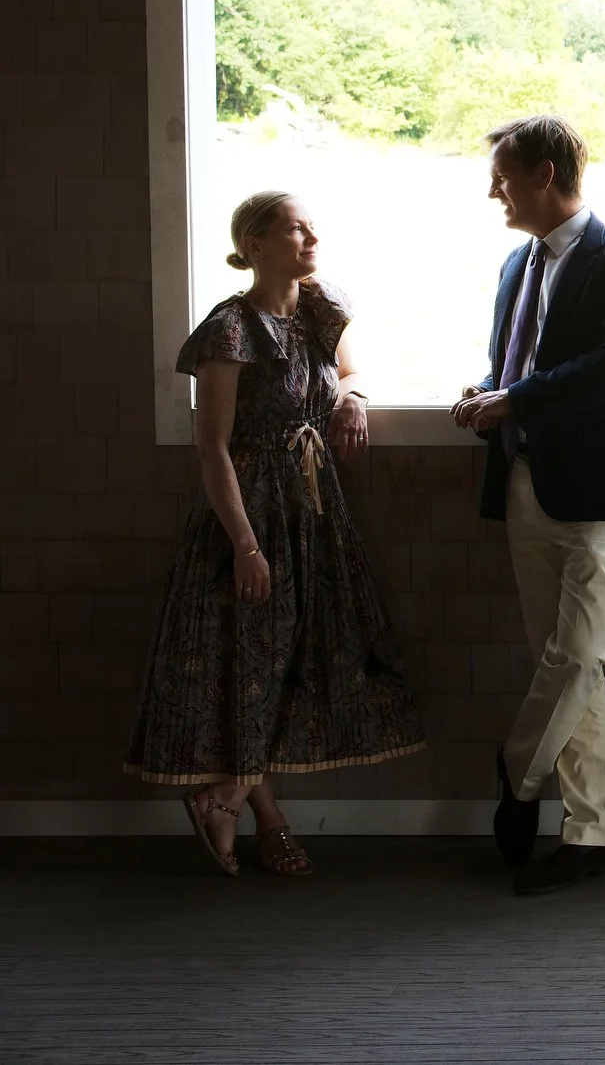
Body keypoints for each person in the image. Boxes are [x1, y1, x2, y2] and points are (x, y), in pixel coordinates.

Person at [126, 191, 426, 877]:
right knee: (250, 663)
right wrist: (246, 545)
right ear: (254, 244)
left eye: (313, 225)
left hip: (314, 510)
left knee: (296, 659)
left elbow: (354, 370)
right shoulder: (230, 328)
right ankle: (257, 813)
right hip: (252, 510)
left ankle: (233, 801)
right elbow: (212, 448)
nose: (312, 236)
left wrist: (354, 400)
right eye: (295, 227)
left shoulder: (321, 306)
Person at [452, 115, 605, 897]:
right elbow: (518, 361)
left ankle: (517, 776)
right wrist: (488, 393)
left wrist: (516, 397)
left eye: (502, 177)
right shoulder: (517, 263)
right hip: (524, 483)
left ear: (544, 175)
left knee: (578, 655)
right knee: (572, 667)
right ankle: (593, 834)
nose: (493, 192)